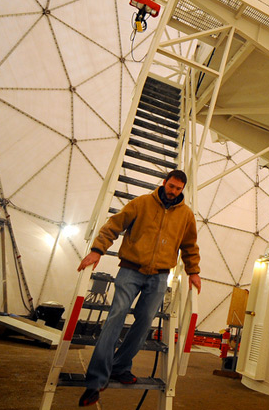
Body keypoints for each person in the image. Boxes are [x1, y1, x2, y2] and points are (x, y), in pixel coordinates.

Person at [77, 169, 201, 407]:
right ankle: (95, 381)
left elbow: (189, 245)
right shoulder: (141, 203)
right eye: (171, 186)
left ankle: (120, 366)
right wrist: (97, 250)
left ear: (182, 189)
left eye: (178, 188)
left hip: (159, 276)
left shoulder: (186, 215)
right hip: (130, 271)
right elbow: (114, 225)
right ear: (164, 183)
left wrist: (193, 271)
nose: (173, 191)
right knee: (116, 316)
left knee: (144, 321)